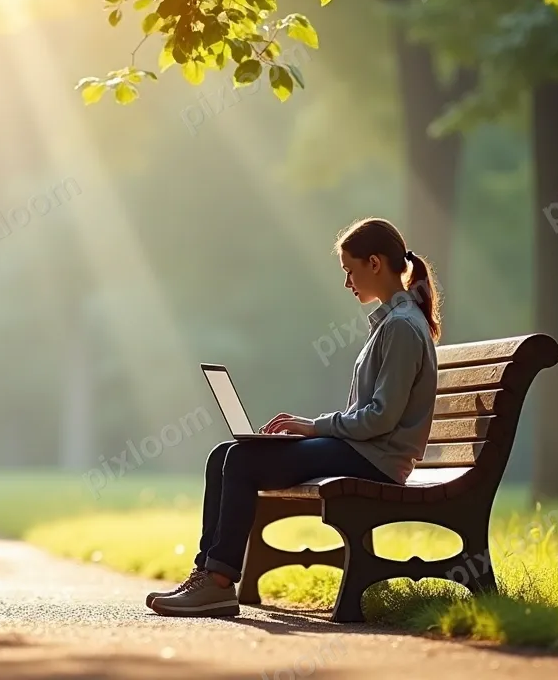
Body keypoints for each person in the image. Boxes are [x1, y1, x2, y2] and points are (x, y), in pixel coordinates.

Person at [147, 217, 441, 617]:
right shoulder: (392, 323)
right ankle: (207, 573)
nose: (346, 282)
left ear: (374, 263)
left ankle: (217, 583)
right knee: (223, 455)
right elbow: (371, 417)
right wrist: (310, 431)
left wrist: (312, 426)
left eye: (349, 270)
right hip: (363, 449)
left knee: (242, 460)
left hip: (378, 458)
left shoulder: (403, 328)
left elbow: (379, 420)